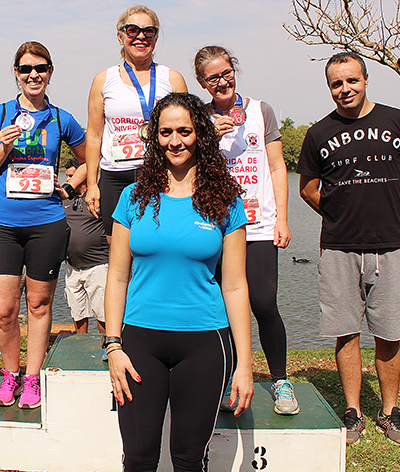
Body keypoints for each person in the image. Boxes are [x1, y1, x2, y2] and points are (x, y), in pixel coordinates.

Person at [105, 93, 254, 472]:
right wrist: (112, 346)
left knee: (189, 460)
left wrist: (245, 363)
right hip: (139, 343)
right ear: (154, 137)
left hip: (205, 343)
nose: (175, 141)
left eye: (185, 131)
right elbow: (117, 276)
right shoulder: (132, 197)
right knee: (138, 458)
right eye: (166, 131)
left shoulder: (225, 200)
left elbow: (235, 286)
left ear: (200, 134)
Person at [297, 52, 400, 446]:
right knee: (346, 332)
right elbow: (307, 189)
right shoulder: (319, 133)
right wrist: (341, 215)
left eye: (351, 80)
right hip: (338, 247)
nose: (345, 89)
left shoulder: (397, 120)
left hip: (390, 245)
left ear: (366, 79)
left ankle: (390, 413)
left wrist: (383, 208)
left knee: (389, 334)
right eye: (337, 83)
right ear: (329, 88)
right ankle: (352, 412)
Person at [0, 41, 87, 409]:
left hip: (47, 223)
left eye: (40, 68)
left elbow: (90, 159)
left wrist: (70, 186)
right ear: (16, 74)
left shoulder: (61, 118)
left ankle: (33, 378)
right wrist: (4, 148)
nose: (33, 75)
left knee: (39, 306)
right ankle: (10, 377)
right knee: (4, 309)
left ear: (50, 72)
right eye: (26, 69)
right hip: (3, 224)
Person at [194, 45, 298, 415]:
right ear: (201, 82)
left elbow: (276, 166)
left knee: (264, 303)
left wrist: (282, 218)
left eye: (226, 73)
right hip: (214, 226)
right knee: (221, 308)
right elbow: (187, 164)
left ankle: (280, 381)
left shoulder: (260, 110)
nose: (221, 82)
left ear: (234, 71)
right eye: (212, 77)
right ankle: (229, 379)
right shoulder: (198, 116)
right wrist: (207, 136)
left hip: (259, 224)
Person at [85, 4, 188, 240]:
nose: (141, 36)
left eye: (148, 31)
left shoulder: (172, 78)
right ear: (120, 36)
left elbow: (187, 132)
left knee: (161, 244)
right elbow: (94, 135)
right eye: (132, 30)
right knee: (118, 251)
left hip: (162, 173)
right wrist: (92, 184)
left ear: (156, 37)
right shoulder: (103, 79)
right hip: (115, 177)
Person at [62, 160, 107, 335]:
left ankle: (106, 348)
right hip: (72, 267)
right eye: (67, 176)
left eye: (71, 176)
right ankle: (81, 346)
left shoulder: (97, 198)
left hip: (98, 266)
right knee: (77, 311)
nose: (68, 181)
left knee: (102, 313)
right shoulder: (64, 201)